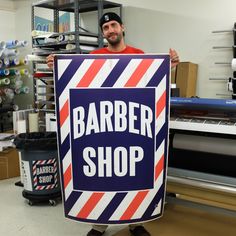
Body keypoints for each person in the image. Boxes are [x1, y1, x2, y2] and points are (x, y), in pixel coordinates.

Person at [47, 12, 179, 236]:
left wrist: (172, 66)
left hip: (132, 123)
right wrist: (56, 67)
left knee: (134, 171)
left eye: (114, 25)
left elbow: (155, 82)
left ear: (123, 27)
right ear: (103, 33)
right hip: (101, 125)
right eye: (106, 27)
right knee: (102, 173)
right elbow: (75, 82)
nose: (111, 30)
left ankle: (136, 223)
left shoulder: (139, 55)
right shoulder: (94, 57)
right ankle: (99, 224)